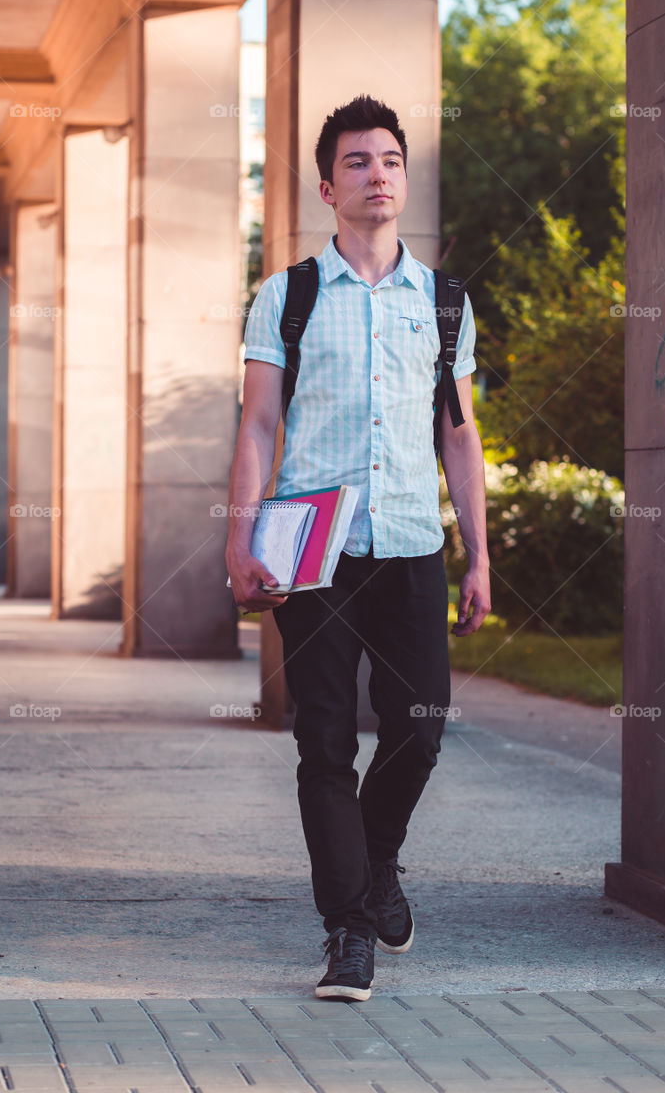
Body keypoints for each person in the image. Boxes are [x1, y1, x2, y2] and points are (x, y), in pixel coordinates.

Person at [225, 94, 491, 1001]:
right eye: (356, 162)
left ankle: (377, 864)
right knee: (325, 742)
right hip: (314, 553)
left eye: (389, 160)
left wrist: (480, 556)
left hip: (413, 542)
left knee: (421, 725)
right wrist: (240, 540)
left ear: (403, 178)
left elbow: (459, 435)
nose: (376, 175)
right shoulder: (289, 295)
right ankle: (346, 930)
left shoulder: (442, 300)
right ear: (327, 186)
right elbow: (259, 424)